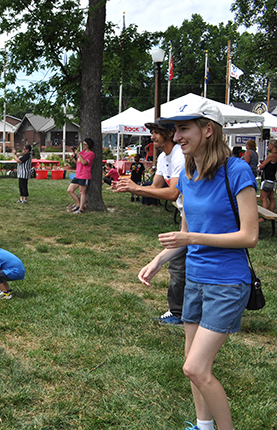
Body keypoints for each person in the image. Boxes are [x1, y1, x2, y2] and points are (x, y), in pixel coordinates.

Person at [138, 99, 258, 430]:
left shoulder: (237, 171)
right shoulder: (187, 175)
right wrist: (159, 259)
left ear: (208, 130)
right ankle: (203, 426)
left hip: (227, 281)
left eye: (184, 128)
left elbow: (249, 236)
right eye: (176, 130)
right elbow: (187, 233)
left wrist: (191, 241)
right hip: (196, 279)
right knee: (190, 363)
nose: (176, 137)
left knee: (195, 368)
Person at [113, 121, 187, 326]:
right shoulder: (164, 157)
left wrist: (137, 189)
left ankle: (181, 313)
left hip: (194, 216)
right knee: (180, 264)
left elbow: (173, 192)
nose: (152, 137)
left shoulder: (181, 155)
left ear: (169, 134)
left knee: (181, 265)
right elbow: (155, 187)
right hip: (185, 215)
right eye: (152, 133)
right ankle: (181, 311)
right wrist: (129, 186)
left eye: (156, 133)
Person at [67, 138, 95, 214]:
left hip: (85, 175)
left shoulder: (91, 154)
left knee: (82, 192)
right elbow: (76, 161)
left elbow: (84, 162)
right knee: (70, 190)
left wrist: (79, 154)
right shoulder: (82, 152)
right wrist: (74, 154)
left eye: (85, 144)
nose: (84, 145)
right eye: (83, 144)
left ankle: (81, 209)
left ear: (89, 145)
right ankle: (78, 204)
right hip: (78, 175)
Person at [258, 139, 277, 213]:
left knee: (263, 198)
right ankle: (271, 213)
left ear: (272, 145)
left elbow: (263, 166)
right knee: (271, 198)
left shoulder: (271, 155)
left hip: (267, 178)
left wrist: (260, 165)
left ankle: (265, 215)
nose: (268, 146)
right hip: (272, 178)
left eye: (269, 145)